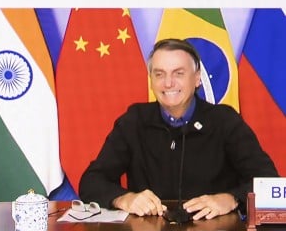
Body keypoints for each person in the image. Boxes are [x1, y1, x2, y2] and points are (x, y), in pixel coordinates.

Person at [79, 38, 277, 220]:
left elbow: (269, 182)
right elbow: (91, 181)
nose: (168, 83)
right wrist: (124, 199)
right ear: (151, 80)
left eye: (178, 73)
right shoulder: (134, 120)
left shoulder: (225, 120)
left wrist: (232, 198)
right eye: (159, 74)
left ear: (197, 79)